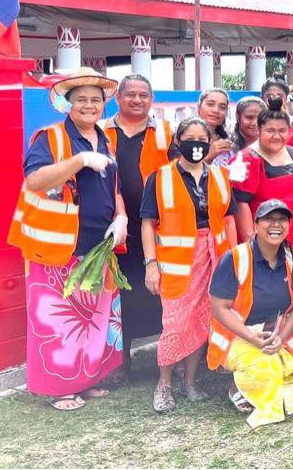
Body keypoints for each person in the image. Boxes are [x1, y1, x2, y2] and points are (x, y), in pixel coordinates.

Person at [9, 68, 127, 411]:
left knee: (94, 315)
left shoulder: (105, 138)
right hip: (59, 245)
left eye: (96, 99)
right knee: (61, 319)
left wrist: (120, 216)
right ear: (67, 103)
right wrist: (79, 161)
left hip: (99, 243)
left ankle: (86, 380)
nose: (89, 106)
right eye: (81, 100)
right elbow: (35, 180)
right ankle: (60, 387)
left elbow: (112, 186)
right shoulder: (50, 137)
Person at [141, 118, 239, 413]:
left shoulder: (220, 176)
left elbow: (229, 218)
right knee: (175, 323)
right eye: (190, 137)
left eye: (202, 138)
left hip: (214, 258)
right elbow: (148, 223)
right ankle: (164, 386)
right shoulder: (159, 177)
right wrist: (150, 264)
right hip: (176, 265)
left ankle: (191, 383)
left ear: (210, 142)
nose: (196, 143)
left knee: (202, 319)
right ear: (178, 141)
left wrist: (234, 258)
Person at [207, 200, 293, 428]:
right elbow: (218, 308)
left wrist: (282, 338)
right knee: (267, 368)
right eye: (269, 219)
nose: (276, 224)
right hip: (237, 335)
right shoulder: (235, 258)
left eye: (282, 219)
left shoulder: (292, 260)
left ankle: (264, 377)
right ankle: (237, 386)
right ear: (256, 225)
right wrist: (252, 337)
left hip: (274, 332)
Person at [99, 74, 174, 383]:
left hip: (154, 227)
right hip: (113, 226)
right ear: (118, 98)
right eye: (131, 94)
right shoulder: (102, 132)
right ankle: (121, 363)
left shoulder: (165, 132)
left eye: (144, 95)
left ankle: (166, 358)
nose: (137, 100)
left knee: (158, 293)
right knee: (118, 295)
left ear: (151, 99)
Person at [231, 101, 293, 246]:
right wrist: (251, 241)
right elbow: (240, 204)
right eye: (270, 130)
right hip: (265, 241)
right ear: (259, 130)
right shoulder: (246, 159)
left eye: (282, 130)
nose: (277, 136)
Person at [214, 96, 265, 167]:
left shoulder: (273, 148)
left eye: (260, 117)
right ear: (238, 117)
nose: (255, 123)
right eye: (249, 117)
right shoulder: (226, 149)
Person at [194, 88, 233, 164]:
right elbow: (181, 171)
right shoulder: (186, 137)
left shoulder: (230, 139)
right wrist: (209, 157)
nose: (216, 110)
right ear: (199, 107)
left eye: (222, 107)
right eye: (210, 104)